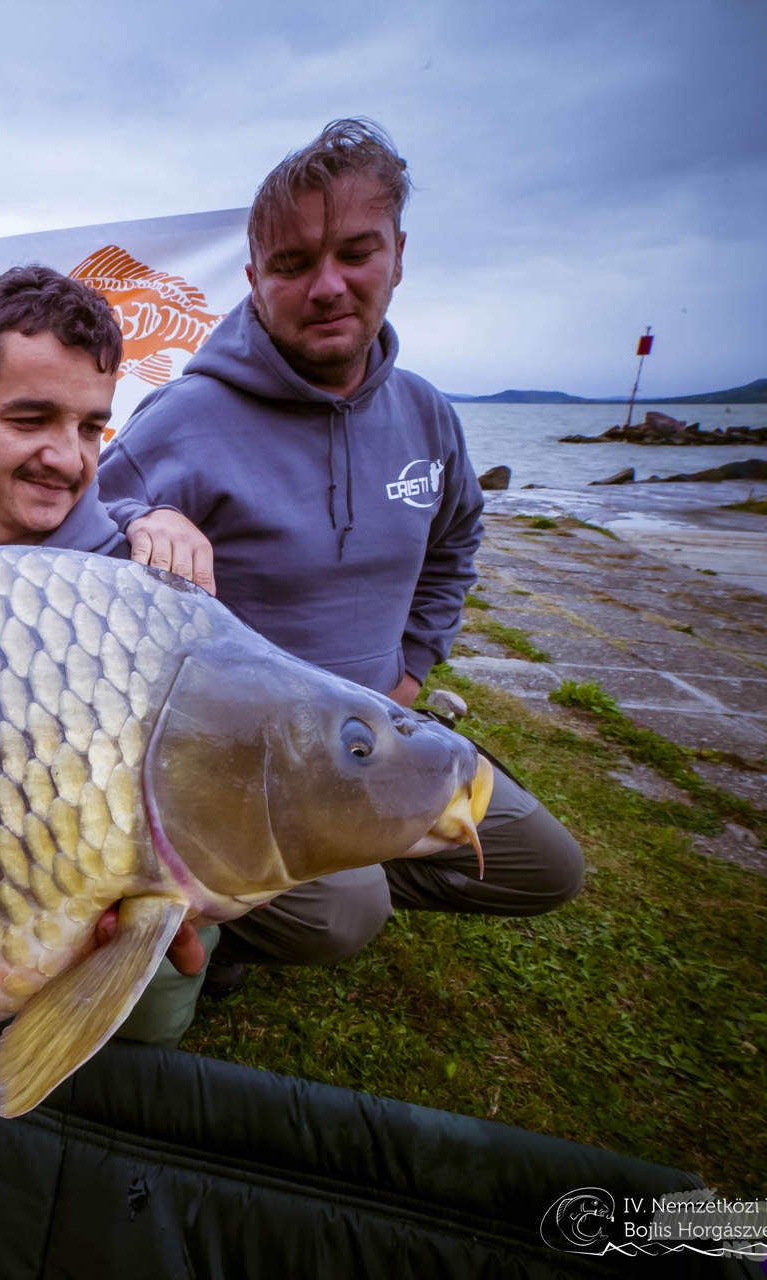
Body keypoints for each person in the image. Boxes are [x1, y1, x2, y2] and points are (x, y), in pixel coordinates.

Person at [98, 119, 584, 991]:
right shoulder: (185, 418)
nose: (326, 286)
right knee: (343, 914)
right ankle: (248, 895)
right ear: (255, 279)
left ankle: (324, 858)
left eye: (355, 252)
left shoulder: (429, 415)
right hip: (246, 760)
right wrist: (141, 517)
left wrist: (414, 664)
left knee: (543, 868)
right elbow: (83, 516)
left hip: (377, 733)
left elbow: (456, 537)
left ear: (397, 254)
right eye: (292, 265)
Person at [0, 263, 216, 1047]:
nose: (68, 457)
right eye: (32, 420)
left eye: (92, 427)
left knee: (157, 1017)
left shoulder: (145, 580)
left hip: (93, 874)